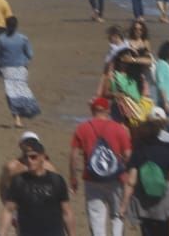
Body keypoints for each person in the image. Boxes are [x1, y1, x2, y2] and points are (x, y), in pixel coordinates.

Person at [68, 96, 130, 236]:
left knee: (96, 219)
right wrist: (127, 177)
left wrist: (73, 178)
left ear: (92, 110)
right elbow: (127, 155)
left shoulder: (82, 128)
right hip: (116, 179)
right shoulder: (119, 129)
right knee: (117, 216)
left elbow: (74, 156)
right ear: (108, 111)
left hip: (92, 178)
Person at [119, 112, 169, 236]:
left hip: (143, 200)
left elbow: (131, 182)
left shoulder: (138, 152)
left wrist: (124, 205)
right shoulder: (167, 152)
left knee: (147, 232)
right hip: (164, 199)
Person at [2, 139, 74, 236]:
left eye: (33, 157)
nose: (29, 161)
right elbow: (8, 210)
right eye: (26, 157)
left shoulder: (56, 180)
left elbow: (66, 212)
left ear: (42, 157)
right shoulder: (18, 181)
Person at [0, 17, 39, 128]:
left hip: (7, 70)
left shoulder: (0, 39)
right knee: (22, 91)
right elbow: (30, 54)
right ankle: (25, 111)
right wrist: (25, 63)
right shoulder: (23, 39)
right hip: (21, 69)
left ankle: (17, 118)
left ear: (6, 25)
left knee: (11, 94)